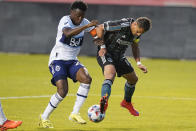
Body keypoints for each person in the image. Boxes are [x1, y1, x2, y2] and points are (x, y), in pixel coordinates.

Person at [39, 0, 98, 128]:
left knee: (87, 79)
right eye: (78, 15)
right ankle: (44, 117)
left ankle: (75, 113)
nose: (80, 18)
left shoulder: (85, 22)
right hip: (58, 59)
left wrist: (99, 41)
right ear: (71, 13)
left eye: (82, 16)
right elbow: (68, 33)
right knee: (63, 90)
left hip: (72, 60)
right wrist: (86, 27)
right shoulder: (65, 20)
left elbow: (95, 33)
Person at [93, 17, 152, 117]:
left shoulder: (137, 33)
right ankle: (104, 101)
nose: (138, 34)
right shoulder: (122, 25)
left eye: (140, 33)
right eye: (137, 31)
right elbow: (99, 28)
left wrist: (138, 63)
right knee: (111, 74)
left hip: (119, 57)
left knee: (133, 79)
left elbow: (135, 46)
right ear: (134, 24)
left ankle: (126, 102)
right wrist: (102, 47)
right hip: (106, 53)